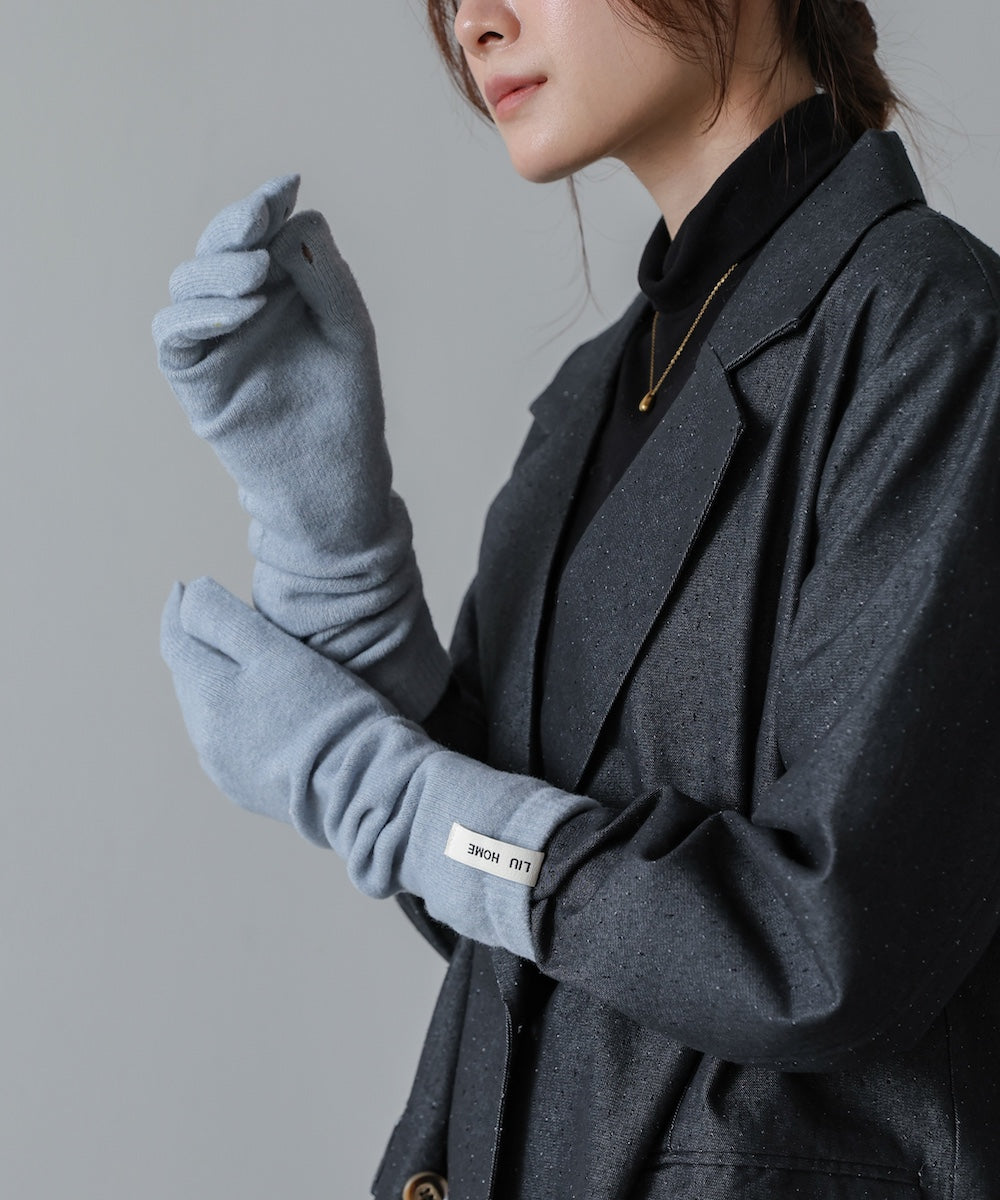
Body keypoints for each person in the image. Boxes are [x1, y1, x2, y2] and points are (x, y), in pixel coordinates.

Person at [153, 0, 1000, 1196]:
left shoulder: (928, 326)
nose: (474, 26)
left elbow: (827, 951)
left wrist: (398, 797)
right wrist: (340, 568)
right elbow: (527, 924)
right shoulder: (596, 393)